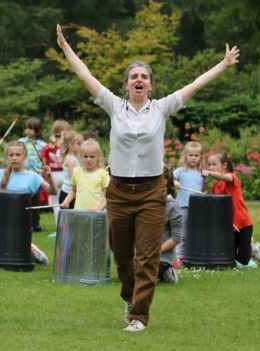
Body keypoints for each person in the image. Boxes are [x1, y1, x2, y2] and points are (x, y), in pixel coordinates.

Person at [56, 23, 239, 332]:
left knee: (149, 256)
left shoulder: (161, 108)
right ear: (127, 85)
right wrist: (65, 49)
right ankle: (130, 296)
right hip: (118, 192)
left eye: (144, 77)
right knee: (123, 255)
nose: (138, 80)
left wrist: (223, 64)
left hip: (153, 191)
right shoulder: (114, 106)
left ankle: (140, 315)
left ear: (151, 85)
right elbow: (85, 76)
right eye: (133, 77)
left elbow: (196, 84)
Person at [0, 141, 57, 264]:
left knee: (18, 249)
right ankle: (30, 250)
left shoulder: (33, 176)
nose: (14, 158)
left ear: (25, 156)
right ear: (7, 156)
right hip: (1, 218)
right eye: (11, 155)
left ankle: (34, 251)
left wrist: (50, 177)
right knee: (0, 247)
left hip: (22, 219)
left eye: (18, 155)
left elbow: (52, 191)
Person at [203, 153, 255, 268]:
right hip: (229, 226)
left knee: (243, 262)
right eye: (209, 165)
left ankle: (254, 250)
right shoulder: (216, 186)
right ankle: (251, 249)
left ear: (224, 165)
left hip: (243, 224)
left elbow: (223, 177)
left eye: (214, 164)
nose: (210, 167)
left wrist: (209, 173)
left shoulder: (232, 177)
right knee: (229, 260)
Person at [173, 141, 206, 264]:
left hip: (198, 207)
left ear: (200, 157)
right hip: (183, 206)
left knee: (195, 231)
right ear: (185, 156)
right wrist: (175, 183)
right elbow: (169, 179)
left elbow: (202, 189)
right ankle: (180, 257)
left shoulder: (202, 173)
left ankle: (192, 254)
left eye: (196, 156)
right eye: (191, 155)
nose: (193, 158)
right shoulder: (180, 171)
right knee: (182, 232)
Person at [61, 138, 109, 211]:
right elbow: (74, 190)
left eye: (92, 157)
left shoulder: (103, 174)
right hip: (79, 213)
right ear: (81, 157)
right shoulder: (76, 172)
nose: (88, 159)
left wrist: (98, 209)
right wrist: (67, 200)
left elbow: (107, 197)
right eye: (85, 156)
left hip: (96, 215)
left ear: (98, 157)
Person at [19, 117, 48, 232]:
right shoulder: (21, 142)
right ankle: (23, 223)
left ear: (37, 130)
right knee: (24, 199)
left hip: (36, 176)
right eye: (26, 128)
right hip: (23, 175)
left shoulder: (43, 145)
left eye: (31, 129)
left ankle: (35, 224)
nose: (28, 131)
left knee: (35, 201)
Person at [41, 119, 70, 225]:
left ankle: (59, 226)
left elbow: (44, 162)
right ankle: (67, 224)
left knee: (55, 202)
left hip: (53, 175)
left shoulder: (48, 146)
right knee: (67, 200)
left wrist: (45, 174)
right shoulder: (66, 144)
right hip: (65, 174)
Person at [158, 167, 182, 284]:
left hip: (161, 257)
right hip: (144, 256)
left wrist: (155, 251)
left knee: (143, 279)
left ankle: (168, 271)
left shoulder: (172, 206)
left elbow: (176, 237)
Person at [58, 131, 83, 209]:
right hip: (68, 193)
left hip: (72, 193)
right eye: (78, 144)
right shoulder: (71, 159)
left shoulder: (74, 158)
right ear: (70, 144)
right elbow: (73, 178)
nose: (81, 146)